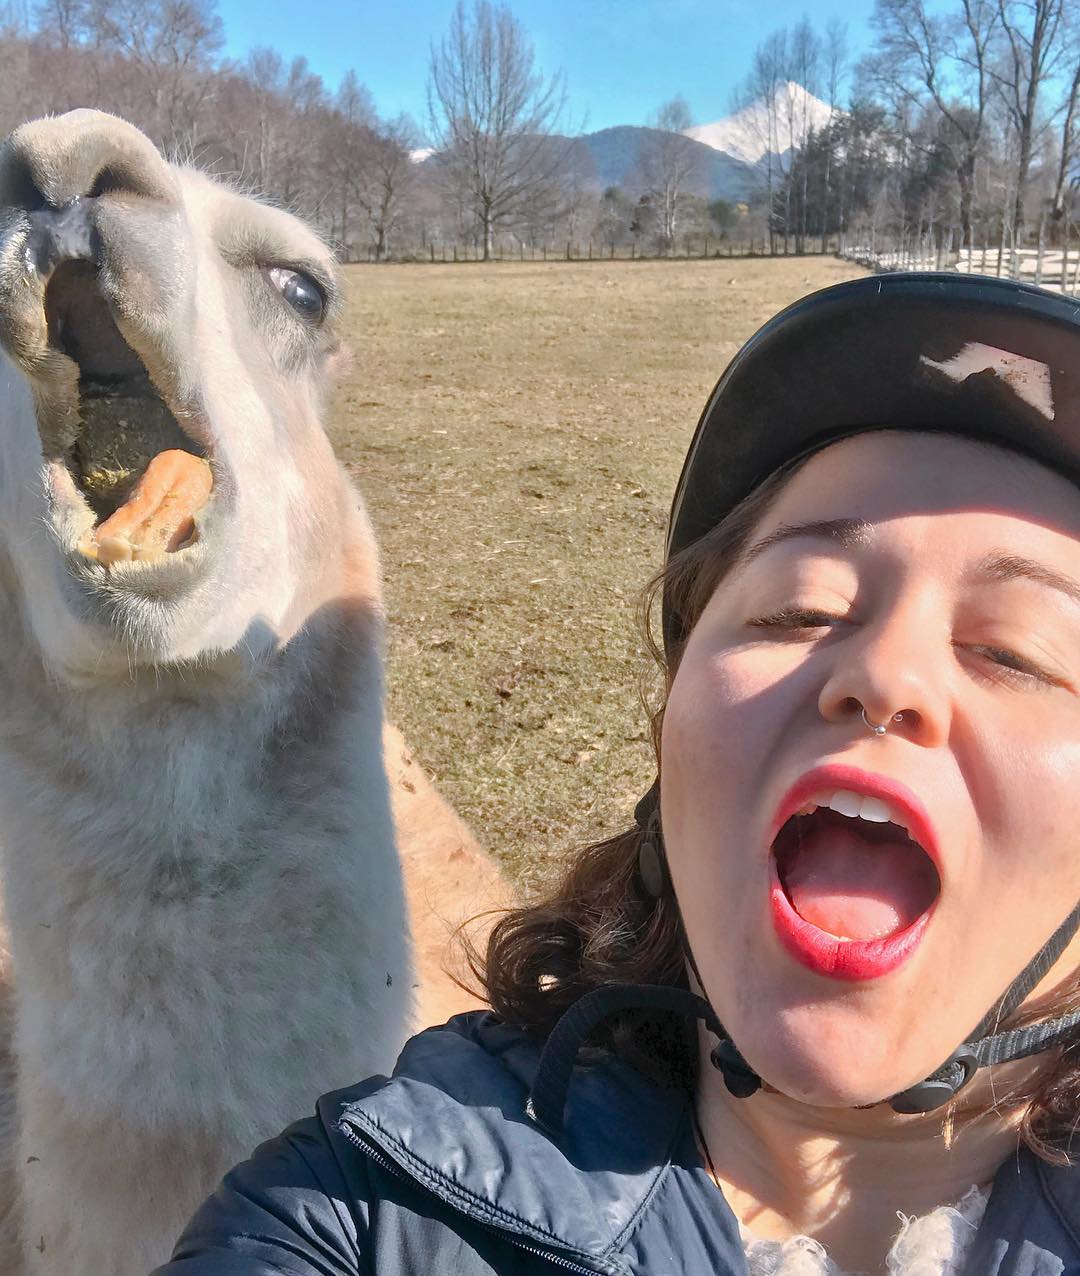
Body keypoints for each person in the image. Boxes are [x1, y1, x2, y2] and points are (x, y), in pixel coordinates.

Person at [153, 272, 1080, 1275]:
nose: (883, 672)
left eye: (1017, 650)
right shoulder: (349, 1216)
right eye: (800, 607)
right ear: (671, 731)